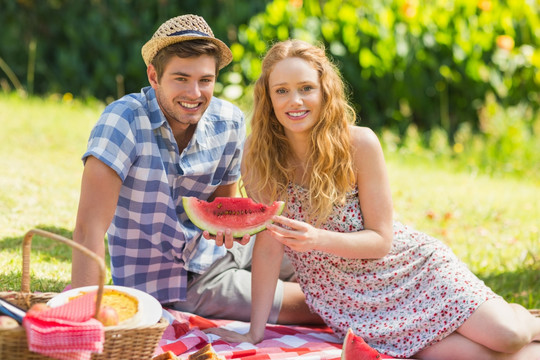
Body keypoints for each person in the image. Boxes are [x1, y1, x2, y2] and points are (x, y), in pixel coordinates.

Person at [206, 39, 540, 359]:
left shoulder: (359, 144)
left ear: (325, 91)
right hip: (346, 301)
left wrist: (317, 239)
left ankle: (527, 318)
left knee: (508, 337)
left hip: (410, 272)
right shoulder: (257, 154)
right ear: (268, 98)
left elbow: (381, 241)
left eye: (306, 88)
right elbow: (268, 245)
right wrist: (255, 332)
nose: (295, 101)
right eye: (282, 91)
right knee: (479, 356)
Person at [70, 15, 322, 325]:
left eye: (205, 80)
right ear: (153, 76)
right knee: (318, 304)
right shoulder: (123, 123)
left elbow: (223, 211)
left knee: (327, 265)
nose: (194, 93)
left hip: (218, 253)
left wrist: (234, 231)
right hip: (176, 284)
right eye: (180, 78)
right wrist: (85, 320)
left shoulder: (228, 121)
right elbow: (87, 231)